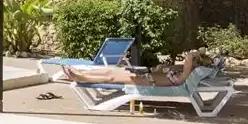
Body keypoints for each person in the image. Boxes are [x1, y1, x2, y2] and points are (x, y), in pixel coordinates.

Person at [61, 50, 201, 87]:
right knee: (112, 70)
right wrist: (160, 68)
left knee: (112, 77)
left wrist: (196, 54)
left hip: (145, 81)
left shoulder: (184, 76)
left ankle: (82, 77)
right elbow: (185, 62)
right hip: (144, 75)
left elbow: (188, 58)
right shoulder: (180, 70)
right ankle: (82, 72)